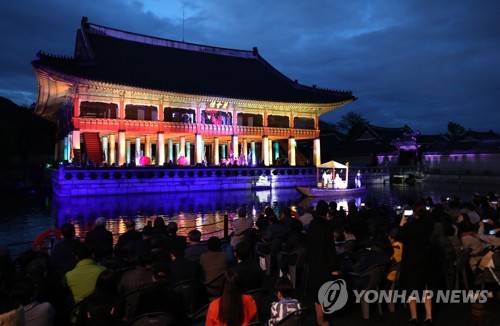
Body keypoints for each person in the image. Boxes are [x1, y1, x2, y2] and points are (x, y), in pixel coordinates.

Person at [396, 203, 434, 324]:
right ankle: (429, 316)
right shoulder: (429, 225)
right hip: (426, 258)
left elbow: (399, 237)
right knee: (426, 288)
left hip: (412, 259)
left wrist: (402, 224)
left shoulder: (410, 226)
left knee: (411, 287)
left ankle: (414, 316)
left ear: (414, 213)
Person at [306, 200, 340, 326]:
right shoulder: (326, 226)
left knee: (316, 291)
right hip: (324, 262)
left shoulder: (312, 224)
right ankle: (321, 319)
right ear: (326, 212)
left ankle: (319, 318)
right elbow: (330, 248)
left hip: (314, 260)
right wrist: (334, 267)